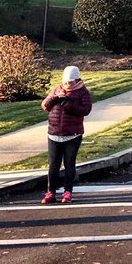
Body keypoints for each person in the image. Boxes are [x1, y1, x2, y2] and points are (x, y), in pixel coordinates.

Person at [41, 65, 92, 205]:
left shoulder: (83, 92)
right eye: (65, 82)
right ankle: (51, 192)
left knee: (69, 164)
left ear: (77, 80)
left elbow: (86, 110)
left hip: (72, 134)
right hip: (54, 133)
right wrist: (54, 99)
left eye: (70, 82)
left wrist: (70, 105)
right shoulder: (57, 89)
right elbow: (44, 105)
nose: (67, 84)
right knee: (53, 165)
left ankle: (67, 192)